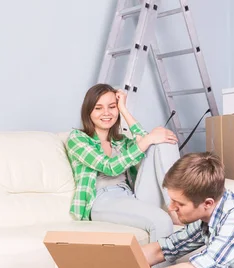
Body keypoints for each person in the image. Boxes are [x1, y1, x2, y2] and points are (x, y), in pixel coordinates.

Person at [66, 83, 181, 245]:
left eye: (112, 107)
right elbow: (110, 167)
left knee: (163, 141)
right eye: (98, 108)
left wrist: (124, 110)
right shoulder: (78, 138)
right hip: (102, 200)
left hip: (131, 194)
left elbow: (146, 140)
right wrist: (149, 139)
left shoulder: (120, 141)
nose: (106, 113)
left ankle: (175, 204)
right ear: (88, 111)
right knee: (161, 221)